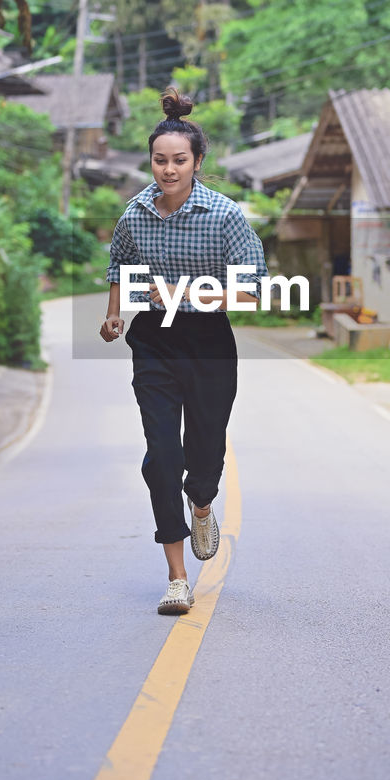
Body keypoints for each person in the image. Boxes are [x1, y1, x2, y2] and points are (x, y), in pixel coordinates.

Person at [100, 87, 268, 615]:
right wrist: (115, 313)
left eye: (178, 161)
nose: (168, 170)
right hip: (155, 340)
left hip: (209, 342)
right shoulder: (135, 214)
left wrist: (187, 293)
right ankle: (176, 577)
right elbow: (119, 265)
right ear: (150, 160)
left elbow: (252, 289)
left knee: (204, 452)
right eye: (159, 160)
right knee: (160, 459)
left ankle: (202, 504)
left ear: (197, 162)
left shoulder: (224, 216)